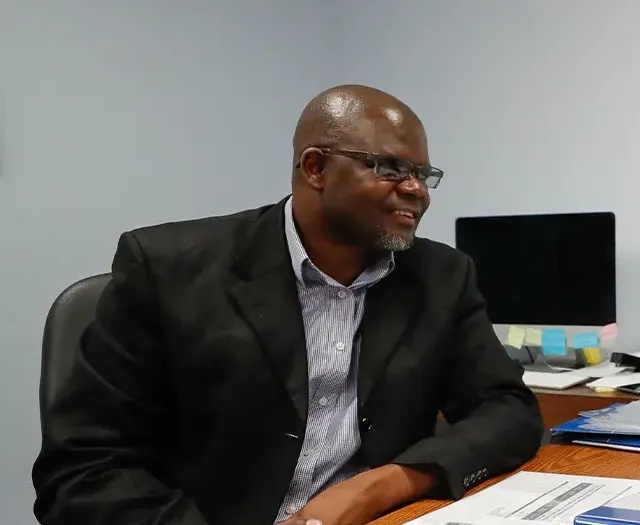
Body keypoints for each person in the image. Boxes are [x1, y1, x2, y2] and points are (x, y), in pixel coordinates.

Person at [32, 85, 544, 525]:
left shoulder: (441, 275)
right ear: (316, 168)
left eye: (422, 173)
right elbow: (84, 473)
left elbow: (507, 410)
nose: (416, 191)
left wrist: (386, 485)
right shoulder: (166, 270)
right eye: (390, 168)